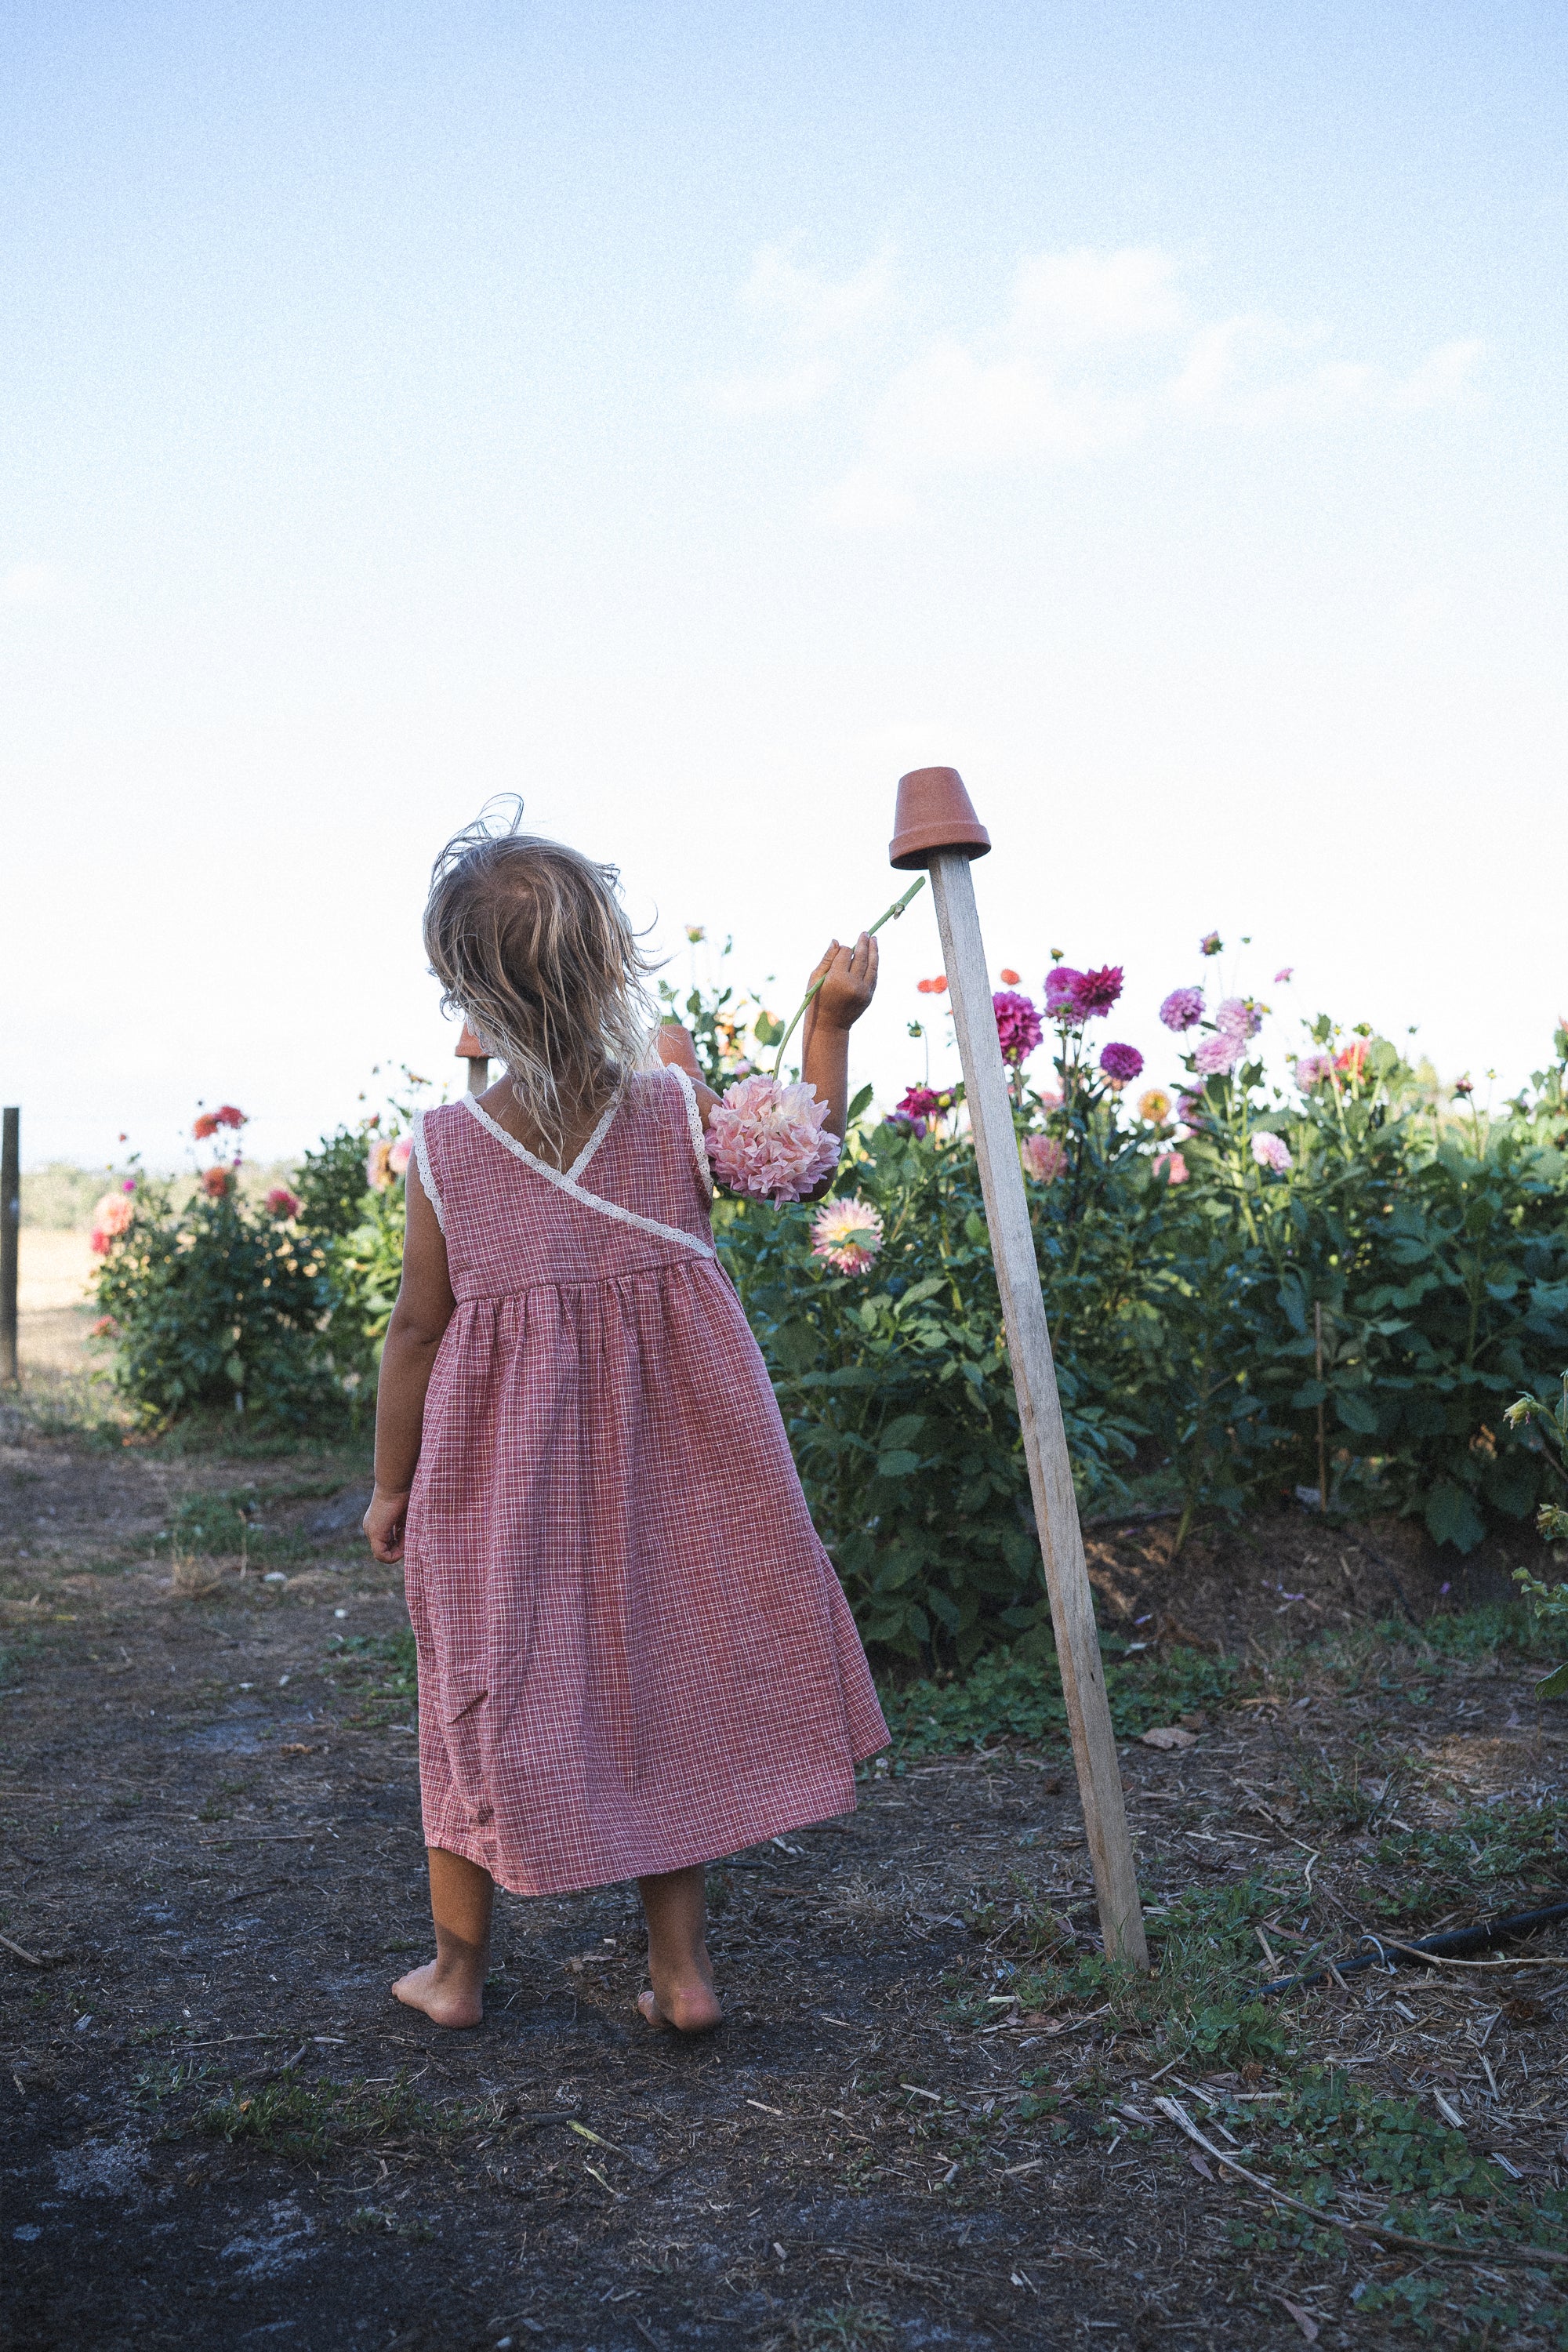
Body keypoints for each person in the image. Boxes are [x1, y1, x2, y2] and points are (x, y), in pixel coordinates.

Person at [363, 815, 888, 2034]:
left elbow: (415, 1334)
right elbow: (794, 1160)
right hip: (678, 1467)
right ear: (609, 969)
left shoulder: (446, 1147)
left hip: (503, 1486)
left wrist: (392, 1487)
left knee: (475, 1692)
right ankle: (681, 1974)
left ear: (467, 992)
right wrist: (827, 1027)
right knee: (663, 1687)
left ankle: (456, 1974)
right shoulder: (667, 1107)